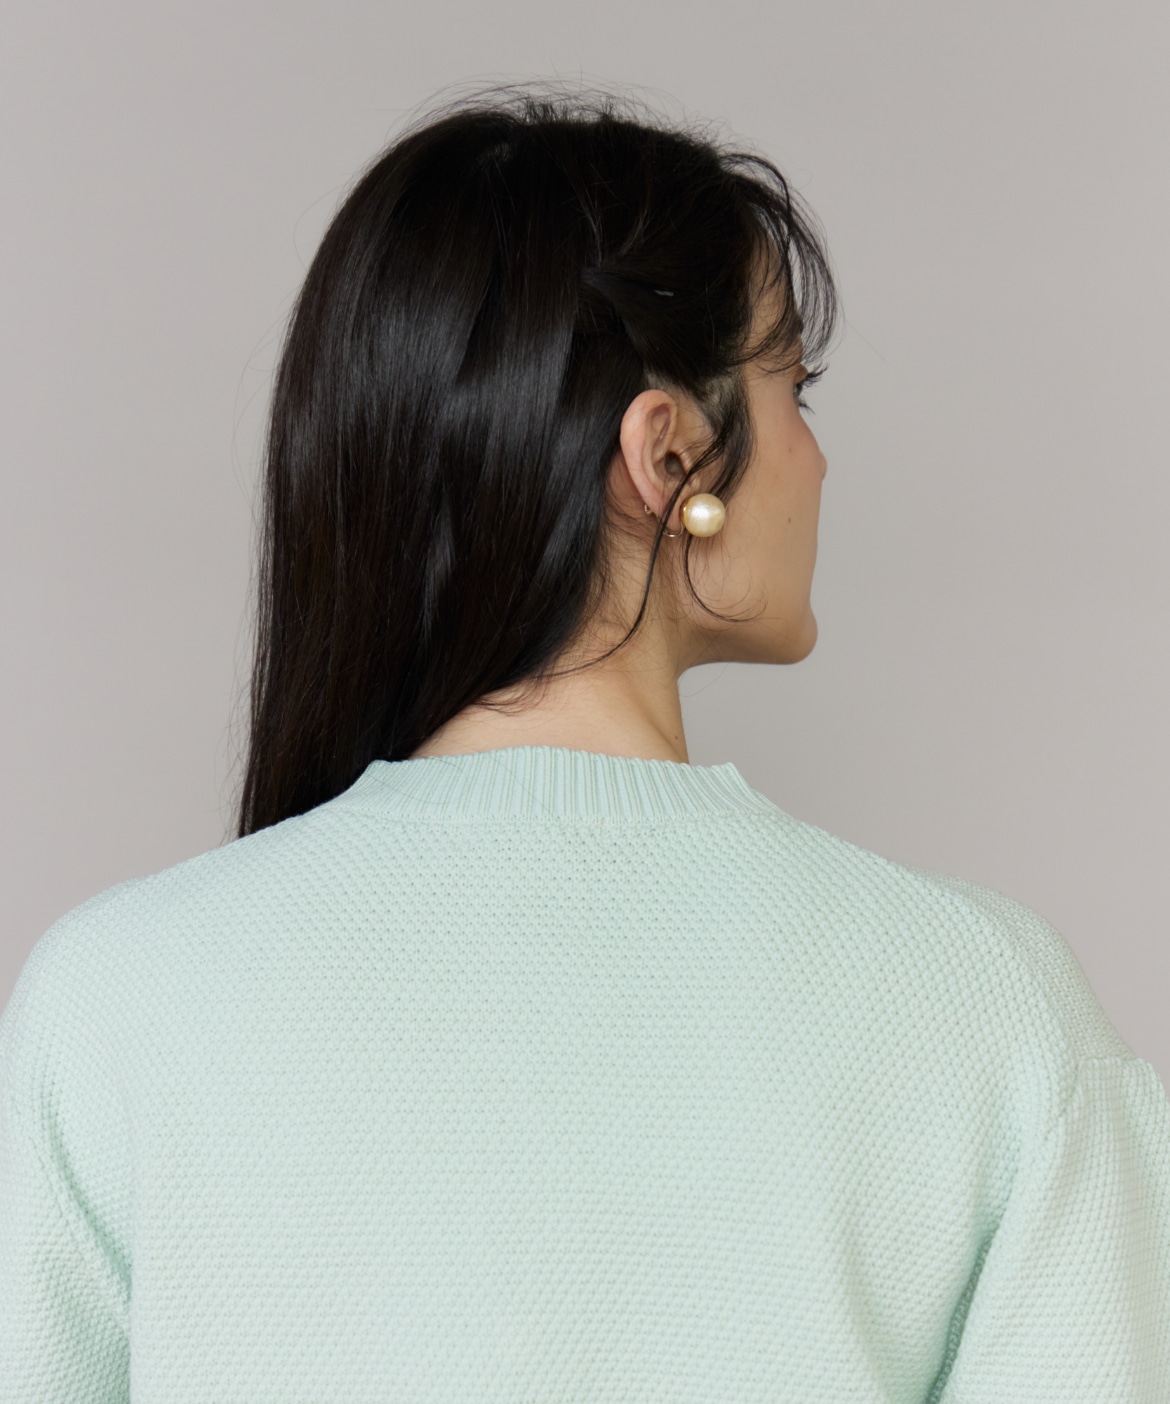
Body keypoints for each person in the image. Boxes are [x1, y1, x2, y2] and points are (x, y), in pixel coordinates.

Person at [1, 83, 1167, 1403]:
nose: (816, 459)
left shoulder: (110, 1000)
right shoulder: (988, 1011)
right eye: (794, 388)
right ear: (668, 457)